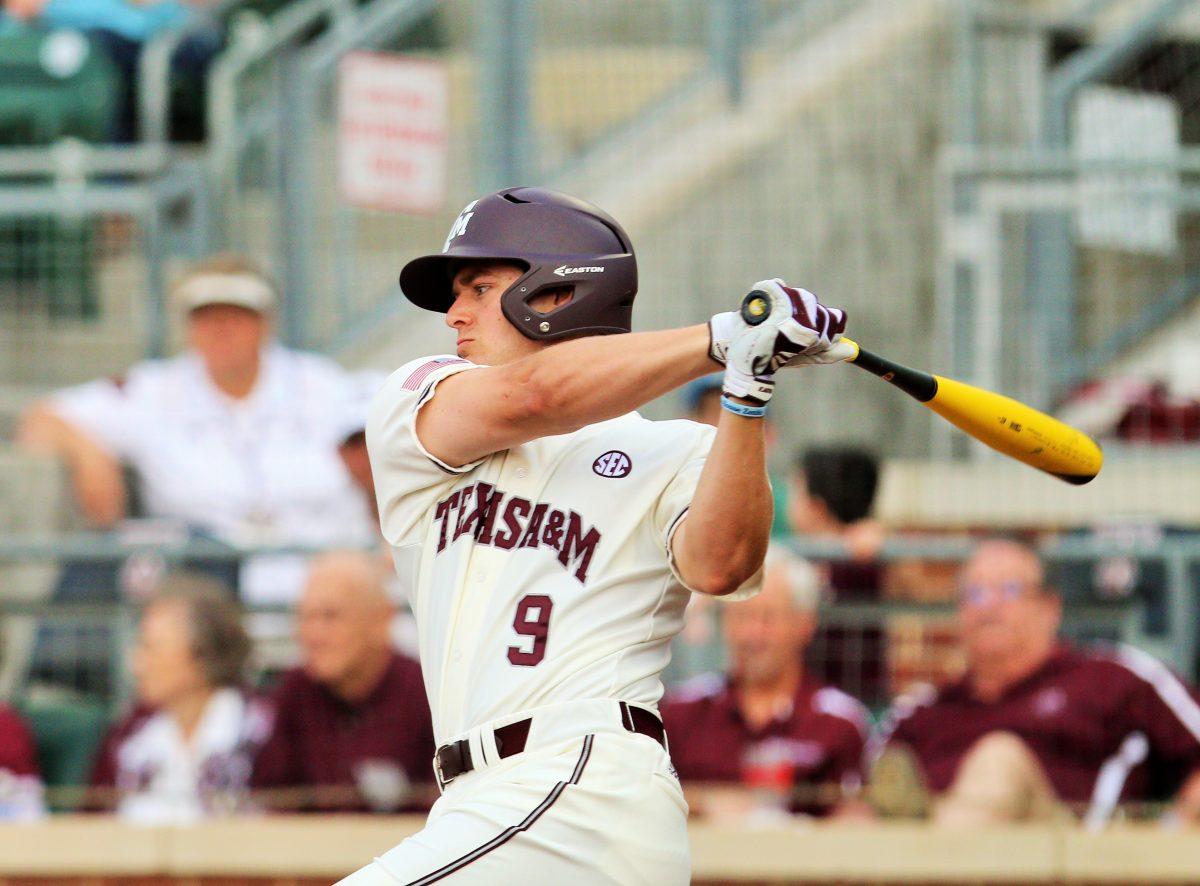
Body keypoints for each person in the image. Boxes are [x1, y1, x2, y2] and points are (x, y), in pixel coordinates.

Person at [343, 186, 851, 884]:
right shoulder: (419, 398)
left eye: (480, 287)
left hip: (582, 786)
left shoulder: (676, 450)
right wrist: (721, 337)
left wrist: (748, 385)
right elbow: (535, 396)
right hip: (478, 800)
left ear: (559, 294)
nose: (453, 314)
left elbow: (722, 566)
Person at [16, 253, 377, 608]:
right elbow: (42, 417)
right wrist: (87, 452)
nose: (220, 329)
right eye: (205, 316)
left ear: (265, 322)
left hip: (324, 589)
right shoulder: (155, 390)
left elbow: (401, 438)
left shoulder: (324, 384)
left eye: (236, 315)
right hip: (209, 605)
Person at [872, 538, 1200, 826]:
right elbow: (856, 803)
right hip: (935, 851)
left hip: (1075, 857)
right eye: (976, 593)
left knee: (998, 762)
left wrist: (1172, 831)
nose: (990, 607)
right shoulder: (919, 712)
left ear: (1050, 607)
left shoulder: (1113, 679)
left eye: (1010, 590)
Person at [662, 546, 870, 820]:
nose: (753, 634)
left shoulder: (839, 723)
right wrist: (703, 803)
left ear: (805, 624)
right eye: (741, 617)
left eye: (768, 618)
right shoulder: (680, 714)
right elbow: (644, 802)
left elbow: (858, 818)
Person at [251, 550, 435, 812]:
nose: (313, 634)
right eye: (304, 617)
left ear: (382, 620)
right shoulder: (294, 692)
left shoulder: (425, 693)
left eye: (330, 616)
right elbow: (268, 802)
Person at [88, 576, 266, 823]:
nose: (135, 665)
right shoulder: (128, 738)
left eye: (150, 648)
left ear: (201, 656)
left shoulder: (263, 734)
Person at [789, 445, 888, 704]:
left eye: (796, 492)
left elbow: (908, 580)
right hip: (804, 697)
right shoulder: (797, 561)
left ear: (817, 507)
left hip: (855, 696)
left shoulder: (860, 559)